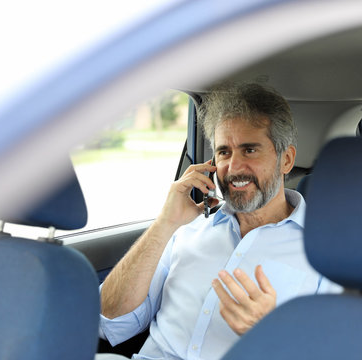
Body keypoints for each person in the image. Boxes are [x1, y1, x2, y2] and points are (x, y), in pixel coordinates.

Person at [98, 83, 339, 360]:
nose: (234, 167)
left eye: (250, 150)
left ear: (286, 160)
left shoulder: (327, 254)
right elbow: (111, 321)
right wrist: (165, 223)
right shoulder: (187, 230)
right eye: (224, 152)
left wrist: (272, 336)